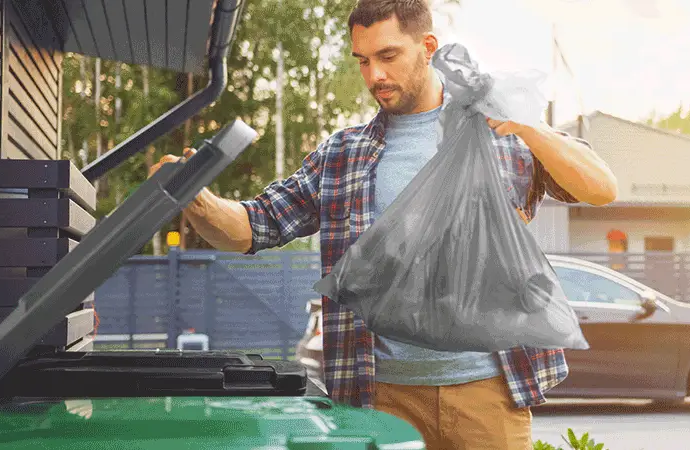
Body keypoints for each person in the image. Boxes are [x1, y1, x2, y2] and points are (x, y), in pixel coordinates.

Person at [150, 1, 618, 448]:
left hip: (488, 393)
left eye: (388, 55)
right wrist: (197, 198)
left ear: (428, 46)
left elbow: (600, 188)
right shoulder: (344, 154)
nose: (375, 75)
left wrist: (530, 127)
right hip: (380, 396)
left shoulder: (498, 135)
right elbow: (253, 227)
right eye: (363, 60)